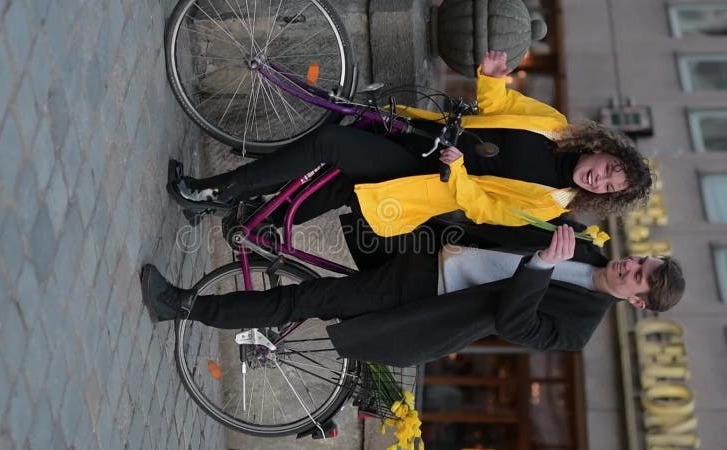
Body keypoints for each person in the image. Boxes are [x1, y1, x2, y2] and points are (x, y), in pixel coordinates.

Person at [168, 51, 651, 234]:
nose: (601, 179)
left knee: (331, 148)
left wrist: (458, 168)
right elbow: (500, 109)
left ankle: (215, 192)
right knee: (339, 162)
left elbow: (482, 209)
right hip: (425, 131)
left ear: (601, 197)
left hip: (424, 176)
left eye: (609, 186)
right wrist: (492, 78)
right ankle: (256, 219)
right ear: (601, 149)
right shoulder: (556, 125)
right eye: (609, 168)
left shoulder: (550, 204)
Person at [140, 225, 685, 367]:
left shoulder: (579, 330)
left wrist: (543, 264)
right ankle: (244, 222)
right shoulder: (588, 249)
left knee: (305, 301)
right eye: (640, 261)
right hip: (432, 252)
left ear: (637, 302)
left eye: (639, 276)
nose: (630, 265)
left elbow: (515, 324)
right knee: (356, 206)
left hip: (427, 301)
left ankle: (181, 305)